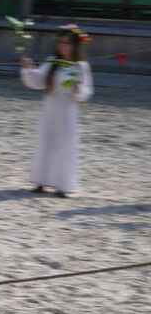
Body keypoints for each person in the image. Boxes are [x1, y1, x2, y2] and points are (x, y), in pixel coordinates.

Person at [20, 25, 94, 198]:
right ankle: (41, 181)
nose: (63, 46)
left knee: (64, 146)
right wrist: (29, 69)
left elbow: (87, 92)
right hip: (50, 107)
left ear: (75, 45)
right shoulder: (52, 62)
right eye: (61, 42)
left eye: (67, 43)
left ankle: (63, 185)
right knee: (45, 142)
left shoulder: (81, 66)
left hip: (67, 109)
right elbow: (38, 81)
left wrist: (78, 89)